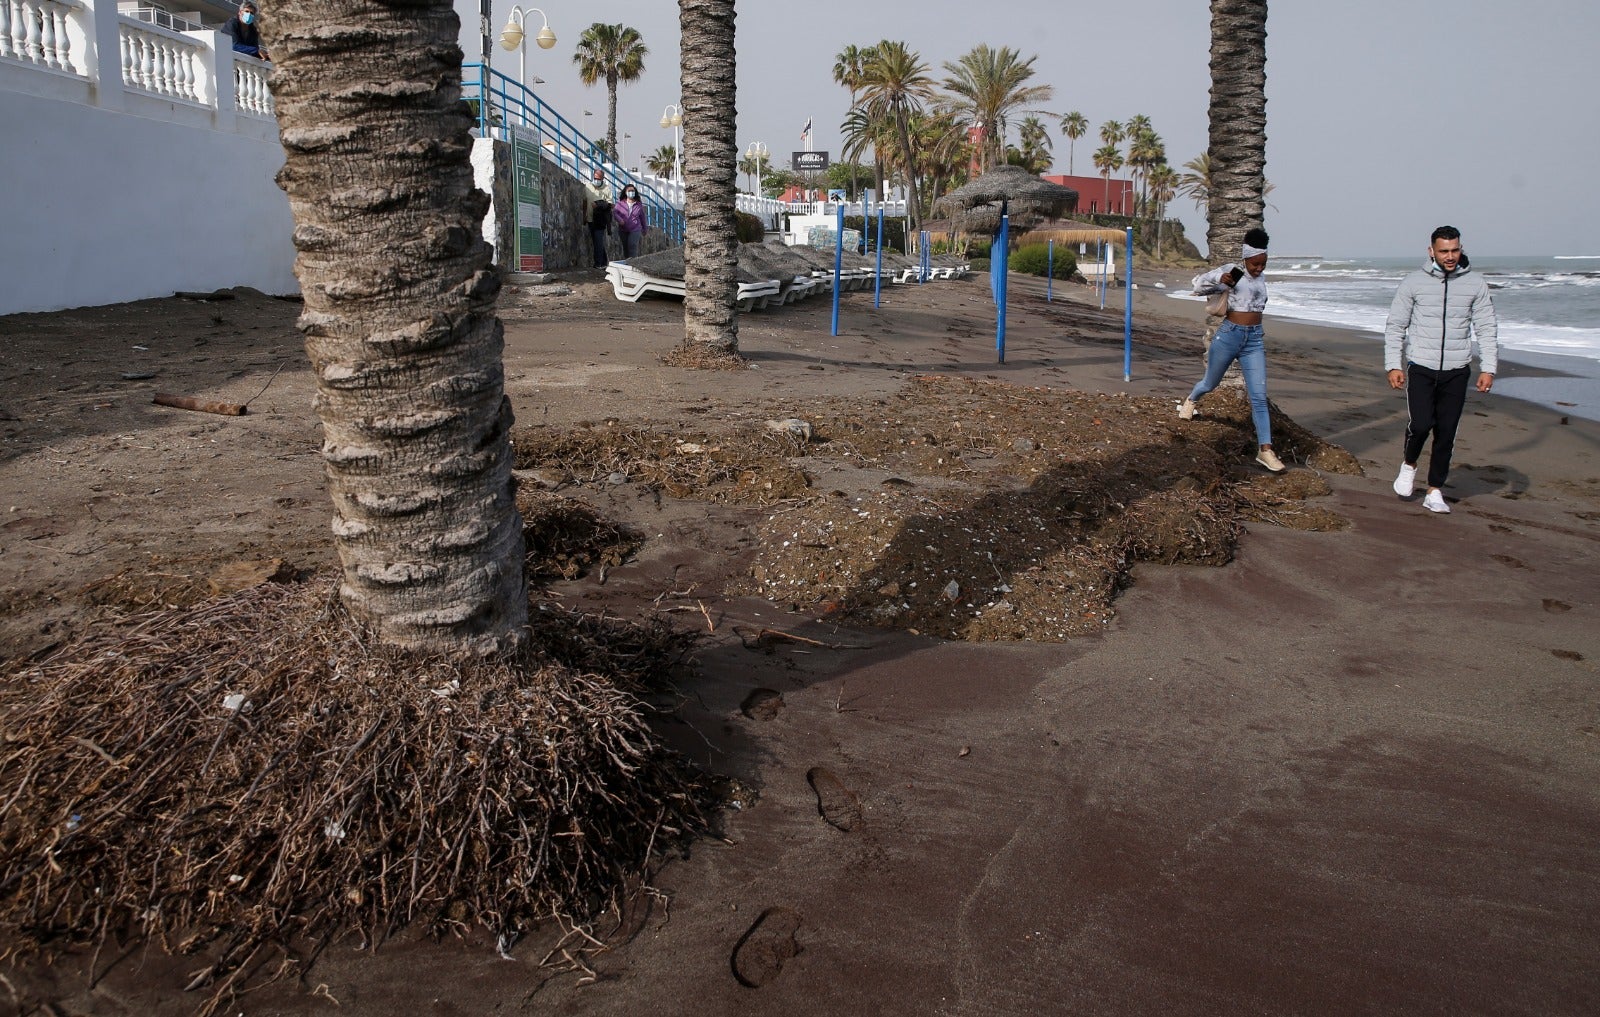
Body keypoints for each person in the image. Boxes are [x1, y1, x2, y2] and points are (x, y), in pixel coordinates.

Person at [1383, 225, 1498, 514]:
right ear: (1431, 251)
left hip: (1457, 369)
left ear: (1461, 248)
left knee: (1446, 432)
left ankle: (1435, 490)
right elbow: (1396, 326)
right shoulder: (1413, 283)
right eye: (1444, 250)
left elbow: (1486, 328)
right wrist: (1393, 365)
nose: (1450, 256)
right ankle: (1409, 465)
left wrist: (1489, 368)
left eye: (1455, 250)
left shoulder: (1475, 283)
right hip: (1421, 366)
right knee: (1421, 424)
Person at [1178, 227, 1286, 473]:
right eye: (1255, 264)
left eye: (1263, 264)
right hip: (1228, 336)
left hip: (1254, 340)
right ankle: (1192, 400)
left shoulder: (1261, 278)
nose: (1259, 268)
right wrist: (1220, 279)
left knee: (1259, 396)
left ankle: (1265, 450)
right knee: (1210, 383)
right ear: (1246, 258)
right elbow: (1197, 285)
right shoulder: (1232, 272)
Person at [583, 169, 613, 269]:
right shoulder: (588, 187)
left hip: (600, 220)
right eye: (595, 178)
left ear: (602, 179)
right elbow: (585, 202)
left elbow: (611, 205)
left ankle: (598, 263)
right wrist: (584, 216)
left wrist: (599, 205)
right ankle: (604, 262)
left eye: (598, 179)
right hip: (590, 218)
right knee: (597, 241)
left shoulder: (607, 189)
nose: (596, 180)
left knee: (598, 241)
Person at [612, 184, 647, 259]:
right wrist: (620, 220)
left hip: (635, 229)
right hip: (623, 229)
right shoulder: (620, 203)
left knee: (632, 245)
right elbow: (615, 212)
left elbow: (642, 217)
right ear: (625, 192)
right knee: (625, 247)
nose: (631, 192)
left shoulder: (638, 205)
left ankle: (633, 263)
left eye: (633, 191)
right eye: (629, 191)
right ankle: (627, 263)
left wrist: (644, 229)